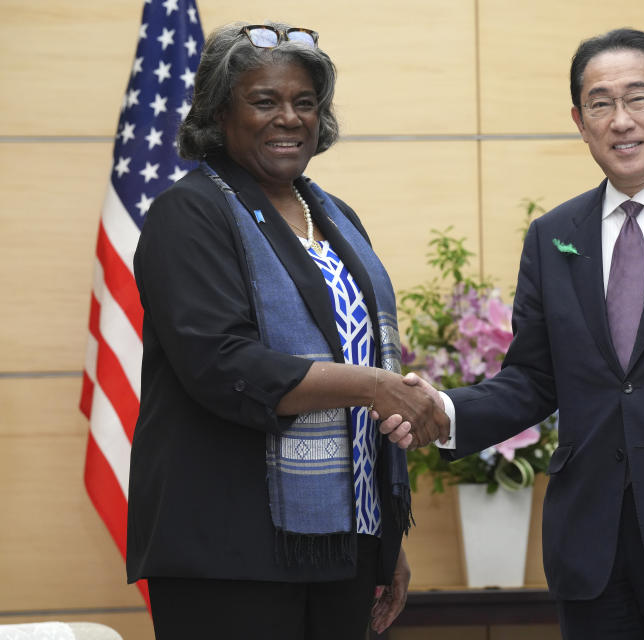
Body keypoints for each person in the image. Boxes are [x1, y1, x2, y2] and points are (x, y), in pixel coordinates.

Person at [381, 28, 644, 639]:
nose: (621, 120)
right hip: (590, 548)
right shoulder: (554, 235)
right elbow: (533, 380)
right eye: (600, 103)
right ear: (580, 121)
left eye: (639, 97)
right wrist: (444, 409)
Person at [126, 21, 448, 639]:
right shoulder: (187, 214)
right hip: (229, 548)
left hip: (344, 548)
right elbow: (223, 365)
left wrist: (381, 535)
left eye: (305, 102)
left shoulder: (334, 215)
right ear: (220, 112)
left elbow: (357, 351)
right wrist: (373, 386)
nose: (290, 118)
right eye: (265, 101)